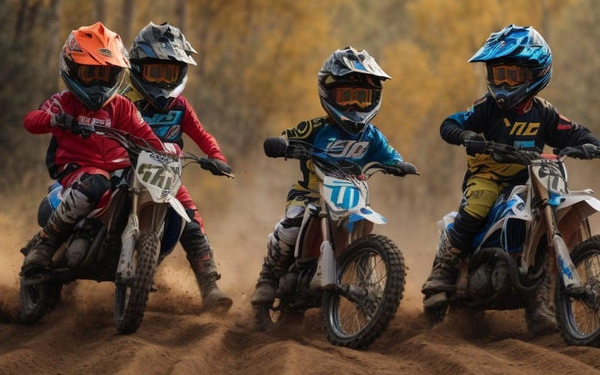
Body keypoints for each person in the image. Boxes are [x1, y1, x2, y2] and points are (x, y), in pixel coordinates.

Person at [421, 24, 600, 336]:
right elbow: (449, 124)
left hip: (531, 181)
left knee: (548, 224)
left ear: (535, 74)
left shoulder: (545, 113)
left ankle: (539, 307)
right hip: (488, 176)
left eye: (513, 76)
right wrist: (467, 136)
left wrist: (589, 144)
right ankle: (446, 268)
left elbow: (575, 131)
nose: (504, 83)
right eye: (498, 75)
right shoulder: (487, 107)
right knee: (478, 205)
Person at [251, 46, 416, 306]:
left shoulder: (371, 135)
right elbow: (288, 137)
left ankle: (360, 275)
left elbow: (388, 153)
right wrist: (282, 144)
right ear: (329, 94)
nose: (353, 104)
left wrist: (399, 164)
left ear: (374, 98)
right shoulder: (316, 127)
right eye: (346, 96)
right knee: (291, 229)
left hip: (351, 192)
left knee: (365, 220)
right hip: (309, 194)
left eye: (361, 97)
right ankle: (268, 278)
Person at [21, 22, 167, 275]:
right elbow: (31, 120)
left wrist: (165, 154)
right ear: (72, 70)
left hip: (117, 170)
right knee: (97, 182)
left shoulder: (122, 107)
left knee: (146, 186)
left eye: (105, 75)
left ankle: (140, 258)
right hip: (76, 168)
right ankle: (46, 243)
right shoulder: (64, 101)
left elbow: (146, 135)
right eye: (91, 74)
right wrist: (56, 120)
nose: (99, 83)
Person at [123, 21, 234, 314]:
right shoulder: (122, 101)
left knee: (192, 223)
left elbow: (202, 135)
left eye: (168, 73)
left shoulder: (180, 107)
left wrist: (217, 157)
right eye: (154, 72)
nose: (161, 81)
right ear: (138, 67)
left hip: (165, 175)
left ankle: (210, 287)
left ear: (180, 73)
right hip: (124, 170)